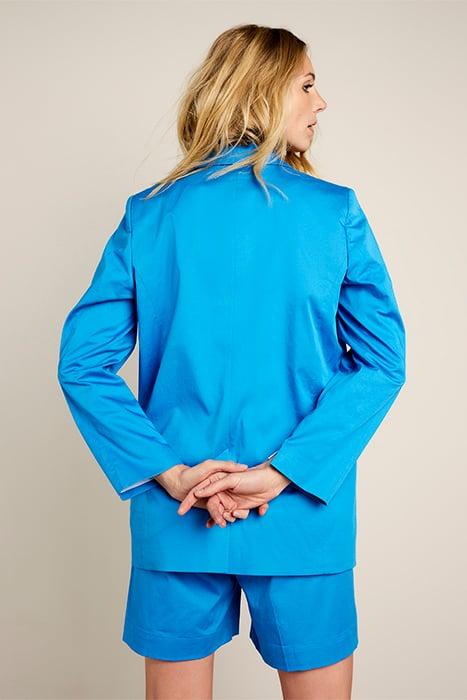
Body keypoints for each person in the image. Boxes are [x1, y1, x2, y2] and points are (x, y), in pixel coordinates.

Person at [57, 23, 406, 700]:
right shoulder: (333, 212)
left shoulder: (150, 215)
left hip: (179, 509)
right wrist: (281, 474)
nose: (321, 102)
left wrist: (171, 473)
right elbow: (381, 363)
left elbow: (82, 365)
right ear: (264, 91)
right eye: (307, 84)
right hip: (302, 514)